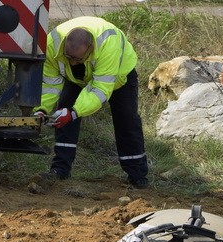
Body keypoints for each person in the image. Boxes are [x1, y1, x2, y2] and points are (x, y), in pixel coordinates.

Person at [31, 16, 149, 189]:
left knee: (127, 121)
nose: (72, 62)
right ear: (64, 45)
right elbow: (50, 84)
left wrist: (74, 112)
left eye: (77, 59)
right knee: (63, 113)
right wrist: (41, 109)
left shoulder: (109, 43)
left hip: (117, 78)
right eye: (68, 57)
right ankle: (60, 170)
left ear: (91, 48)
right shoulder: (51, 44)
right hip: (76, 78)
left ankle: (137, 175)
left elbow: (100, 90)